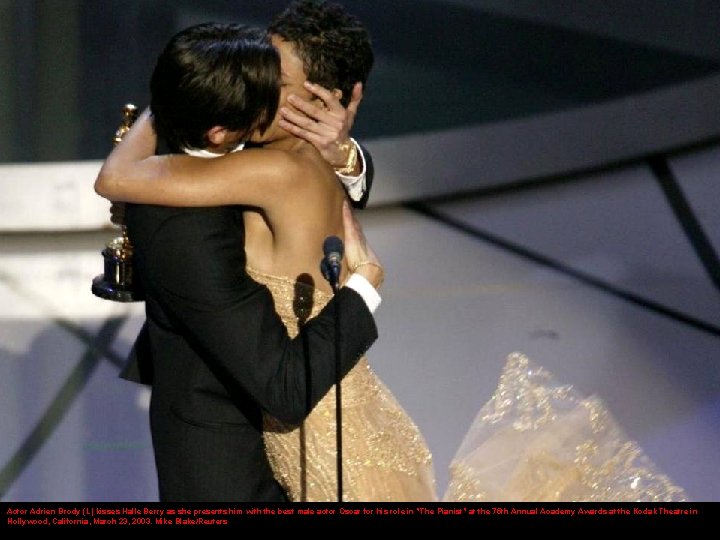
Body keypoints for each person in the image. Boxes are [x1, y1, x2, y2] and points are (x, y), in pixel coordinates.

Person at [96, 1, 688, 503]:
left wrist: (343, 166)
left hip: (319, 416)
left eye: (274, 81)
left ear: (330, 99)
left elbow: (118, 178)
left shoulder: (276, 161)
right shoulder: (246, 135)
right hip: (237, 423)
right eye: (253, 71)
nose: (254, 86)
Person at [97, 21, 384, 503]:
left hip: (314, 407)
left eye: (277, 81)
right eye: (260, 82)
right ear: (220, 125)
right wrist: (368, 285)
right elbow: (283, 387)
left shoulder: (246, 127)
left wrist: (344, 156)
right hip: (228, 452)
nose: (268, 97)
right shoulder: (186, 224)